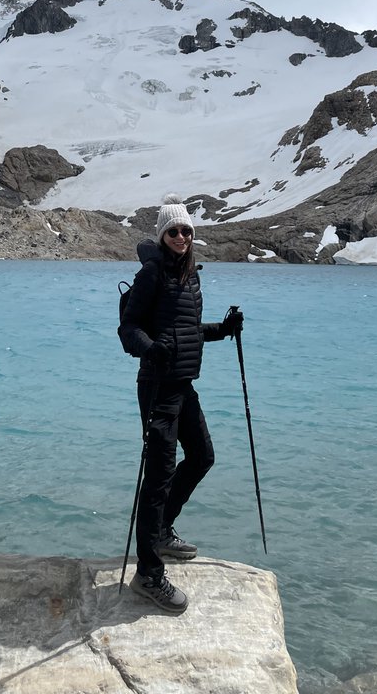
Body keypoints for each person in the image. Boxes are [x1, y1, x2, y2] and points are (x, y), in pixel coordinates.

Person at [118, 195, 243, 614]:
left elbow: (186, 331)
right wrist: (149, 349)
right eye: (173, 231)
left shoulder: (190, 276)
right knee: (157, 477)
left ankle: (161, 533)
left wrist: (223, 330)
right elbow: (128, 328)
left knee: (203, 456)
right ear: (162, 235)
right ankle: (148, 575)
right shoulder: (151, 274)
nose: (181, 237)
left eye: (187, 231)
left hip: (183, 385)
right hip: (157, 387)